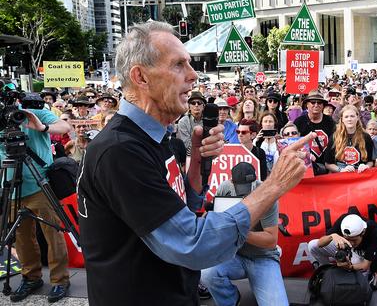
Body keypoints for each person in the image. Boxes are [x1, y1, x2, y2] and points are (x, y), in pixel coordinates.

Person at [77, 21, 314, 306]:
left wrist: (198, 163)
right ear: (141, 77)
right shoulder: (119, 151)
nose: (193, 75)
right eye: (178, 65)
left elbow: (180, 206)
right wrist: (274, 185)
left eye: (189, 64)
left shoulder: (158, 135)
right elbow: (194, 243)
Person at [1, 92, 73, 303]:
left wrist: (42, 127)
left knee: (53, 233)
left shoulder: (31, 113)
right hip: (12, 187)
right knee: (22, 237)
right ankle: (31, 277)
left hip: (39, 183)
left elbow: (65, 127)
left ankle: (60, 280)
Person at [201, 162, 287, 306]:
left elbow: (271, 240)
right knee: (206, 272)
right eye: (240, 188)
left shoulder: (268, 194)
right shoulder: (225, 188)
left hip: (262, 257)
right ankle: (231, 301)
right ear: (231, 181)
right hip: (233, 254)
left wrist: (239, 230)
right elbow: (214, 218)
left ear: (255, 180)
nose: (245, 193)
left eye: (248, 188)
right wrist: (208, 219)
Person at [308, 214, 377, 282]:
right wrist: (332, 236)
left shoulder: (375, 231)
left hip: (363, 258)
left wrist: (350, 267)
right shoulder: (344, 221)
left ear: (363, 232)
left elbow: (365, 265)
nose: (350, 243)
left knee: (355, 285)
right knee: (312, 245)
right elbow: (319, 244)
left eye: (354, 240)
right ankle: (326, 271)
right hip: (346, 250)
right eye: (347, 239)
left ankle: (370, 276)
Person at [294, 91, 336, 175]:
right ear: (307, 104)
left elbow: (335, 144)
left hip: (326, 168)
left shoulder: (330, 122)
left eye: (319, 102)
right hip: (305, 168)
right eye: (313, 102)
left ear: (323, 105)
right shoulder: (299, 122)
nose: (316, 105)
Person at [324, 105, 374, 173]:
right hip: (341, 177)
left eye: (352, 116)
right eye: (346, 117)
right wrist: (341, 170)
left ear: (357, 117)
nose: (349, 119)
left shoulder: (366, 137)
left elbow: (370, 161)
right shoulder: (334, 137)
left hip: (360, 176)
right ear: (342, 119)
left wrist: (366, 166)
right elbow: (328, 164)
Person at [177, 91, 206, 156]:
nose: (196, 105)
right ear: (189, 107)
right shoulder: (183, 122)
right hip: (189, 157)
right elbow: (186, 145)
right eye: (193, 103)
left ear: (203, 106)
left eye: (199, 103)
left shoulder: (208, 121)